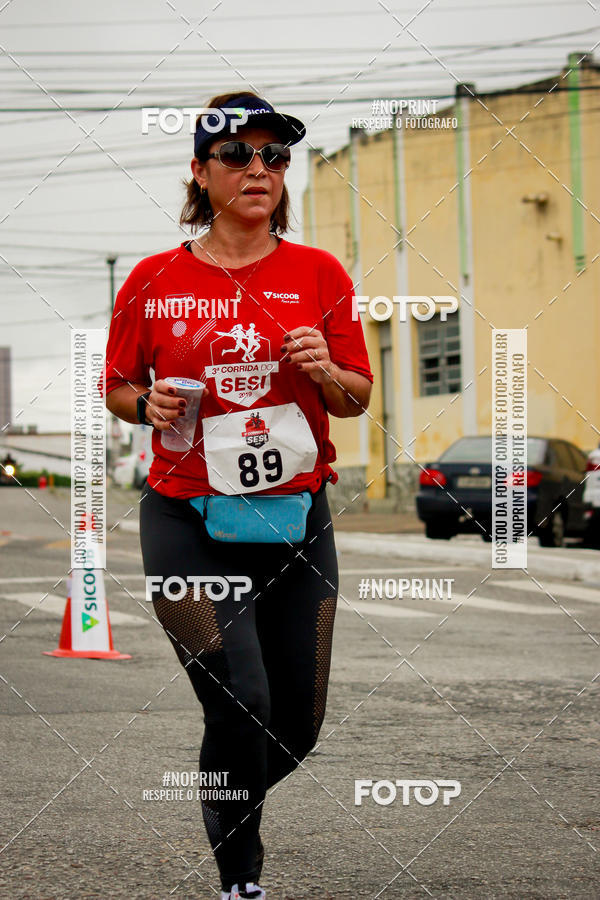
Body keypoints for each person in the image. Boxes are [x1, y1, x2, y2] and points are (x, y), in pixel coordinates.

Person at [103, 91, 373, 899]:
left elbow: (359, 396)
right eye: (238, 155)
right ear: (200, 170)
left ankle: (226, 795)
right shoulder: (154, 280)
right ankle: (241, 881)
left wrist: (326, 369)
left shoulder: (319, 273)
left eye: (276, 157)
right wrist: (141, 404)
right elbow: (118, 385)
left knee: (295, 725)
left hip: (297, 520)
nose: (260, 169)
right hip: (186, 519)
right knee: (240, 701)